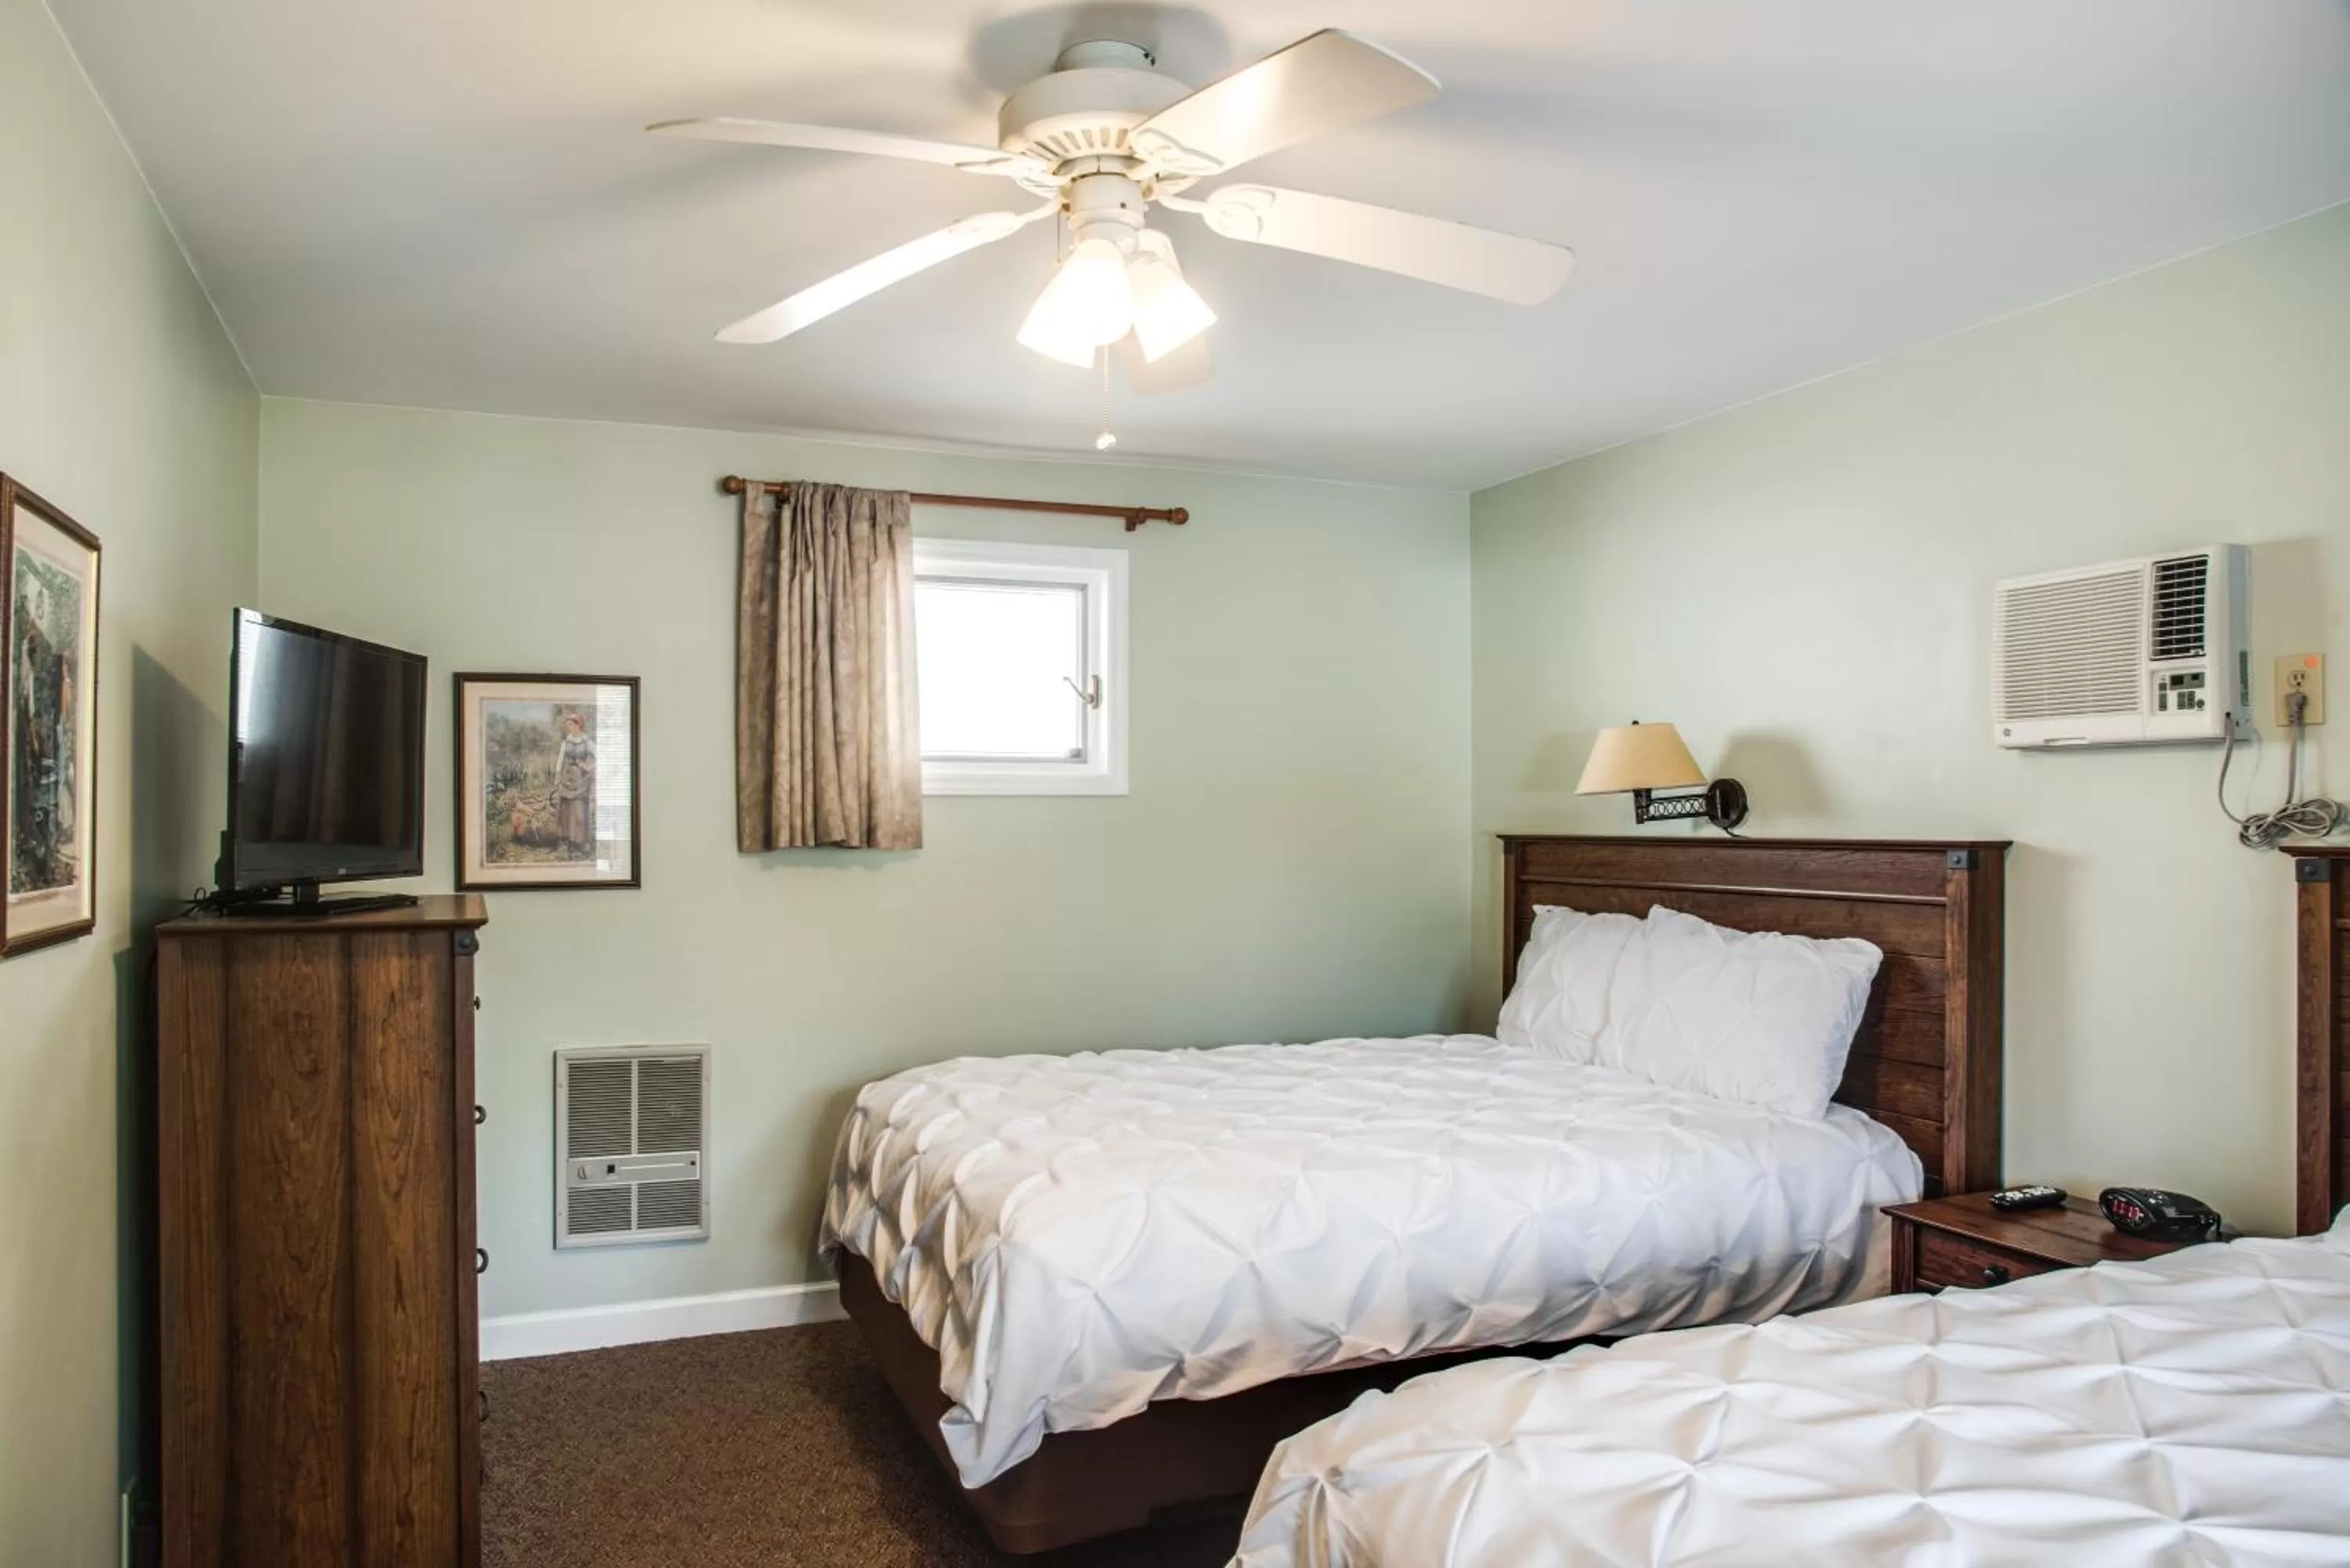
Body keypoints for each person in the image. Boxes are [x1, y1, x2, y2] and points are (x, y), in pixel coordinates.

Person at [552, 709, 596, 858]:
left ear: (579, 725)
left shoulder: (587, 742)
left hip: (581, 780)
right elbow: (560, 759)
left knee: (579, 812)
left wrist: (587, 766)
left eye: (571, 724)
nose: (569, 727)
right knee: (566, 810)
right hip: (567, 777)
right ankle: (568, 841)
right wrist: (558, 776)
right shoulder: (567, 741)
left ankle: (581, 842)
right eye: (568, 725)